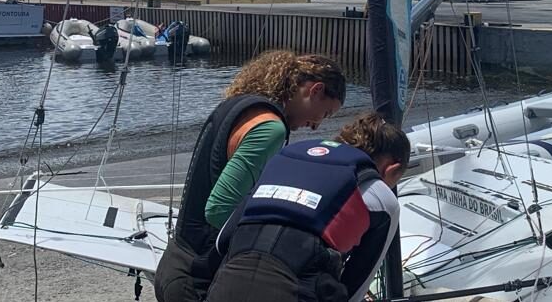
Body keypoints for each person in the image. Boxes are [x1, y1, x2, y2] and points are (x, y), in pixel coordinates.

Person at [154, 51, 347, 302]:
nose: (317, 125)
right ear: (316, 90)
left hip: (176, 259)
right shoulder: (271, 129)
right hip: (197, 277)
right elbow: (219, 210)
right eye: (327, 113)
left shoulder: (239, 105)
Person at [205, 113, 409, 302]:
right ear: (392, 169)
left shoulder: (287, 160)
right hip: (293, 291)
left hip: (227, 283)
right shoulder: (382, 197)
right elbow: (356, 284)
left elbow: (223, 240)